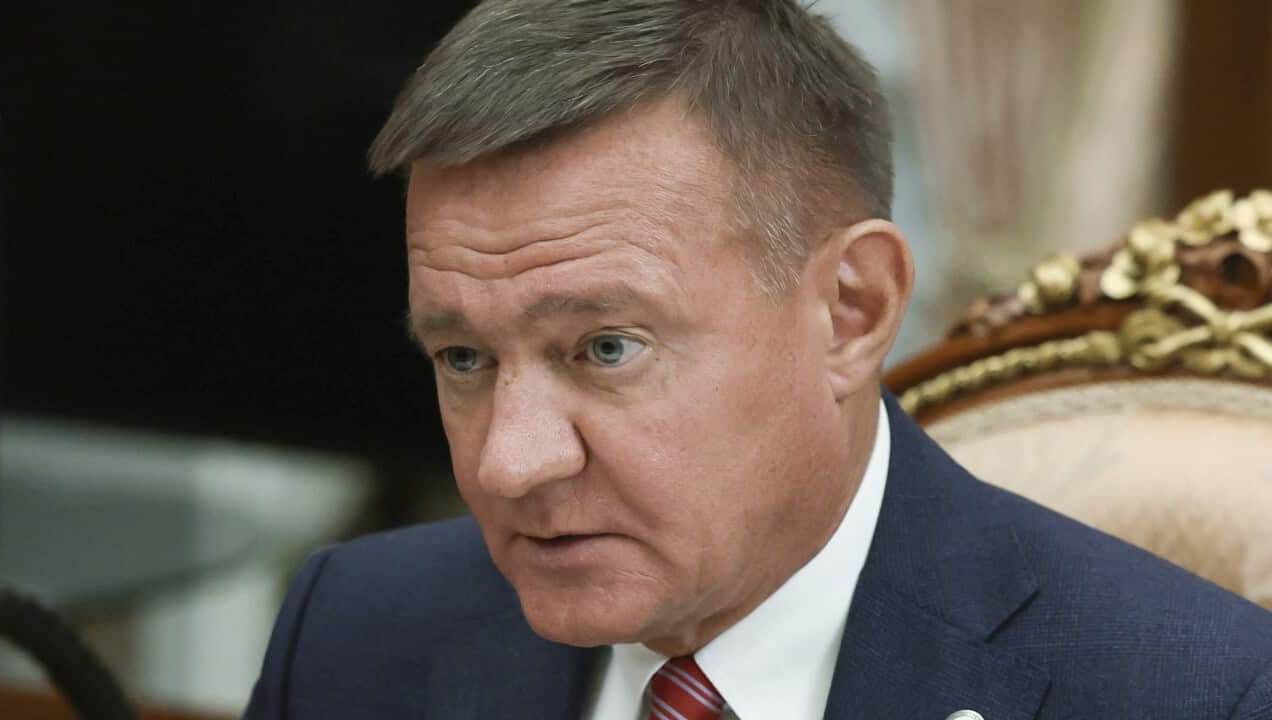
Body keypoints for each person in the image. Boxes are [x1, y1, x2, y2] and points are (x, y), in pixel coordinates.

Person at [244, 1, 1272, 718]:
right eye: (464, 357)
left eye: (604, 348)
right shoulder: (355, 632)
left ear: (849, 310)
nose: (510, 465)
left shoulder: (1184, 693)